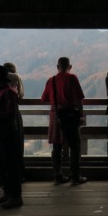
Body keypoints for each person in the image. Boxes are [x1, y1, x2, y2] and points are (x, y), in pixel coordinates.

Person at [41, 57, 87, 185]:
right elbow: (79, 98)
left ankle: (58, 176)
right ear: (70, 66)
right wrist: (81, 115)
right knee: (75, 146)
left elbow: (44, 98)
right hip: (70, 114)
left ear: (57, 67)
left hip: (55, 114)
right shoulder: (72, 78)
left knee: (56, 146)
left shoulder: (51, 80)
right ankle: (75, 176)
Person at [0, 65, 24, 208]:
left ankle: (15, 196)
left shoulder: (7, 93)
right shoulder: (3, 91)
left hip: (7, 134)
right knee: (4, 164)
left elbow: (8, 114)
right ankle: (8, 193)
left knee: (10, 166)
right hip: (2, 133)